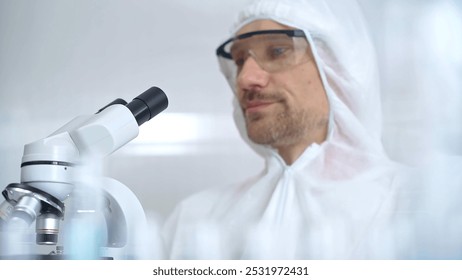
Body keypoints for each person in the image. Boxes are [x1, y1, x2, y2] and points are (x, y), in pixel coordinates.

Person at [161, 0, 462, 259]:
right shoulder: (193, 219)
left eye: (277, 51)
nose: (245, 79)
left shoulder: (420, 208)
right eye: (240, 60)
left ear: (339, 66)